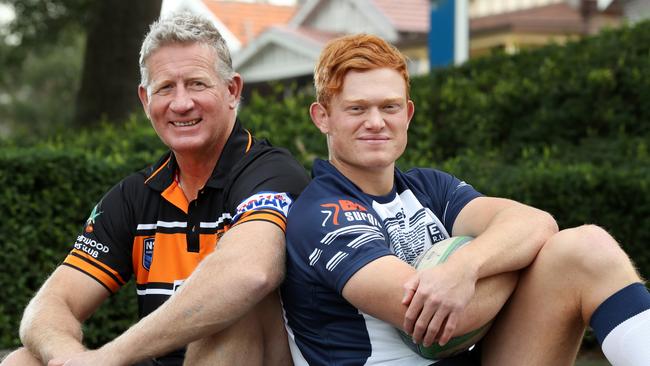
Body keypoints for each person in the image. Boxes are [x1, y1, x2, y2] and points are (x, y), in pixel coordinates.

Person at [281, 33, 650, 365]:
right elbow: (440, 326)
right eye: (357, 108)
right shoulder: (323, 213)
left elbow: (538, 223)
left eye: (390, 107)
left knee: (586, 247)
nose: (376, 122)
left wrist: (464, 268)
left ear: (407, 114)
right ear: (322, 117)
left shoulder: (428, 187)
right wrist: (514, 256)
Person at [1, 12, 309, 366]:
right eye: (165, 88)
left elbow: (251, 273)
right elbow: (49, 306)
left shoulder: (270, 173)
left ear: (232, 91)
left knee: (235, 315)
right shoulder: (135, 194)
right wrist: (69, 358)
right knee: (23, 361)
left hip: (242, 353)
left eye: (197, 83)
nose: (181, 103)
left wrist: (111, 356)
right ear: (146, 101)